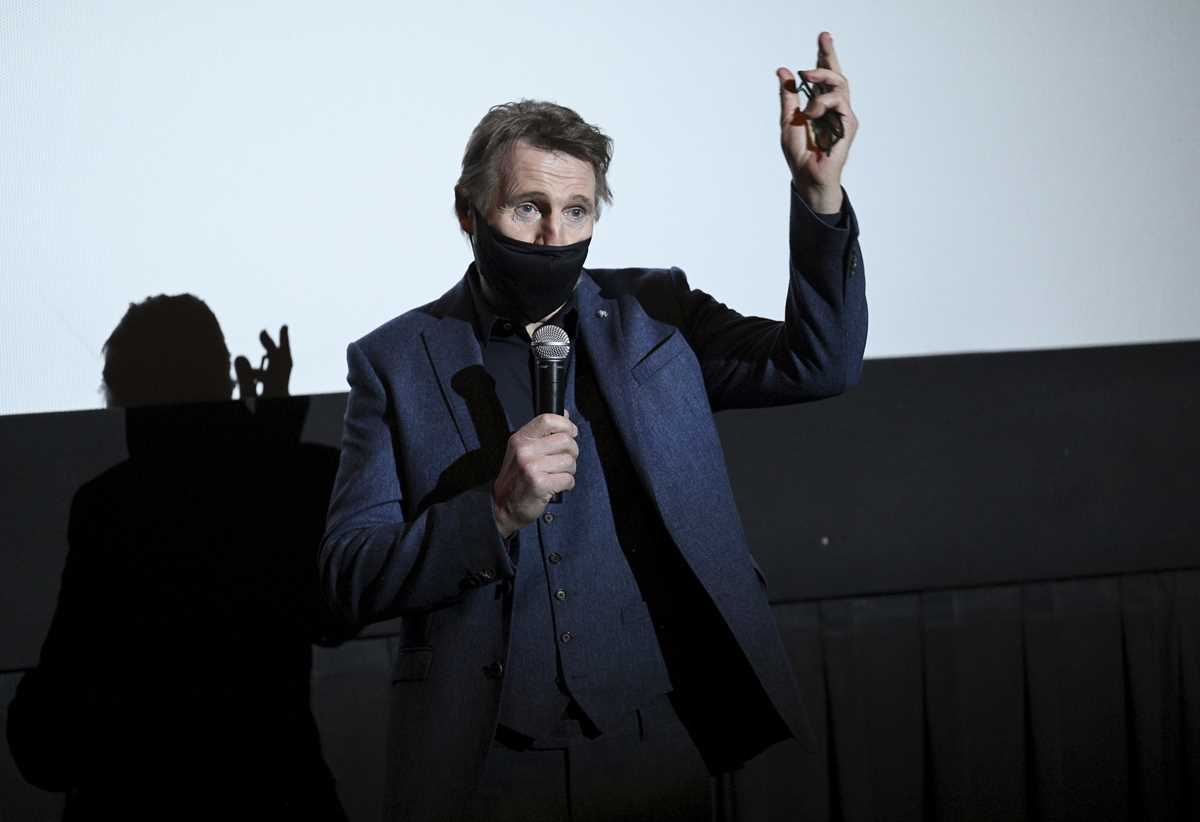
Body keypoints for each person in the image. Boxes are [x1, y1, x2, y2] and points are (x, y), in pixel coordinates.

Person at [320, 32, 865, 822]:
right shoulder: (396, 360)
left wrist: (819, 194)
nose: (554, 236)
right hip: (486, 759)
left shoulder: (655, 312)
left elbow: (820, 364)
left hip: (657, 738)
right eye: (529, 208)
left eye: (576, 211)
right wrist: (493, 513)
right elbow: (348, 576)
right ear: (468, 212)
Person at [7, 295, 347, 820]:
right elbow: (330, 616)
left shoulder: (110, 510)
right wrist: (270, 458)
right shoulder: (301, 478)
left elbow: (51, 730)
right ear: (223, 382)